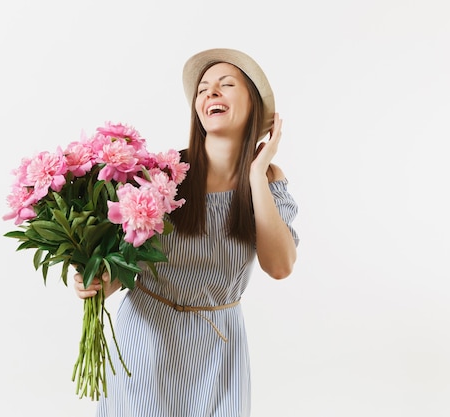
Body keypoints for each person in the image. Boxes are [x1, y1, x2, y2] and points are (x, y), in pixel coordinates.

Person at [73, 48, 299, 417]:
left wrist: (257, 173)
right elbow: (126, 261)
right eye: (203, 89)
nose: (211, 93)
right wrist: (97, 279)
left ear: (253, 105)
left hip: (220, 345)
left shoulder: (267, 183)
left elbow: (280, 266)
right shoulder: (165, 175)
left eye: (226, 85)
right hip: (149, 337)